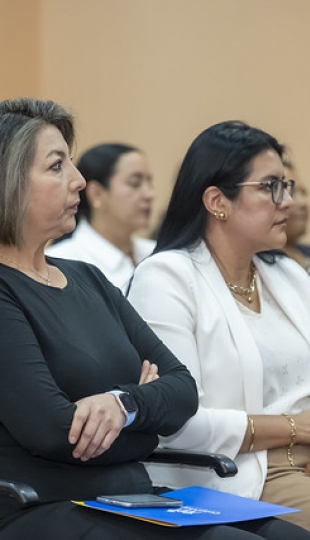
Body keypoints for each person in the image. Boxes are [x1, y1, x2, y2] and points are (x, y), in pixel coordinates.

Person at [0, 101, 303, 540]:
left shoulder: (88, 278)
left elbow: (182, 392)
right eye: (56, 165)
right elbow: (55, 432)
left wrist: (122, 404)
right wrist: (144, 415)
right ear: (9, 183)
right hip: (43, 503)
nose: (79, 179)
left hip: (134, 493)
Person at [128, 120, 310, 531]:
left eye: (287, 186)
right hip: (246, 474)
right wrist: (295, 428)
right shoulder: (167, 278)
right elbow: (180, 423)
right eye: (270, 187)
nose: (288, 202)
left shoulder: (287, 275)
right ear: (216, 200)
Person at [46, 142, 155, 293]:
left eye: (149, 182)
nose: (149, 195)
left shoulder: (157, 253)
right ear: (96, 193)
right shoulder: (60, 263)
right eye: (135, 183)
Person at [281, 159, 310, 273]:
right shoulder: (256, 265)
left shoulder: (306, 253)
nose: (303, 203)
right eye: (291, 192)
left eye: (304, 193)